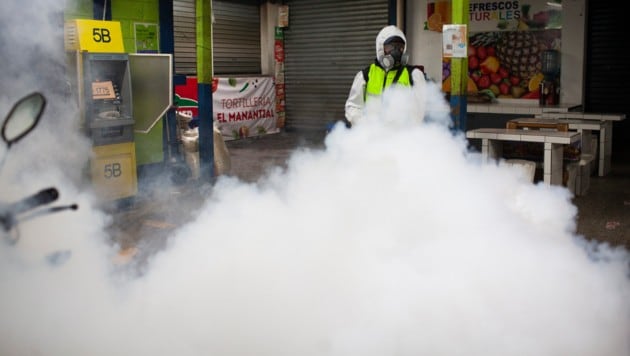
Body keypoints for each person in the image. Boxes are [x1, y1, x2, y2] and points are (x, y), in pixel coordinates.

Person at [344, 25, 427, 126]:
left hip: (401, 139)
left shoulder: (414, 76)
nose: (396, 52)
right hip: (371, 137)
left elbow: (419, 113)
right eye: (390, 47)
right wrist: (364, 125)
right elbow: (353, 106)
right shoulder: (365, 76)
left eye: (400, 47)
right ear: (380, 48)